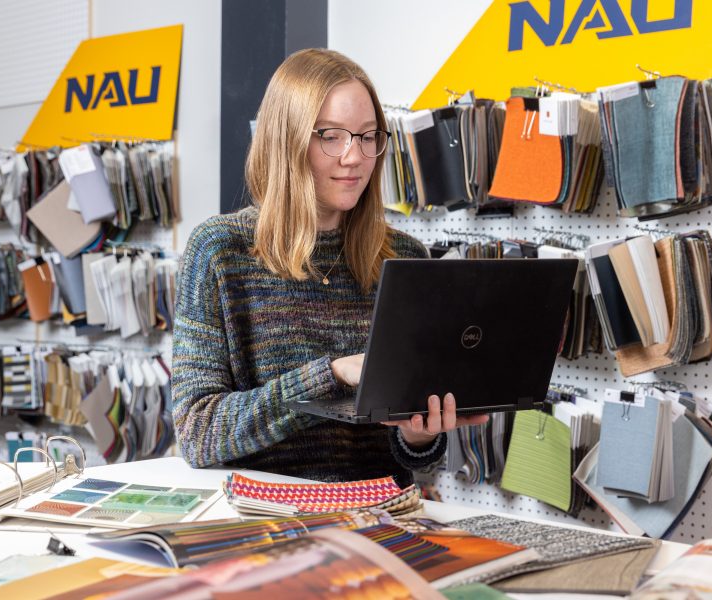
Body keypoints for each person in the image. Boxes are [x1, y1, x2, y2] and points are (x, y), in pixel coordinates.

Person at [172, 48, 488, 486]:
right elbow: (197, 433)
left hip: (380, 519)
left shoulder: (404, 257)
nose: (354, 156)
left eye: (367, 136)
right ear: (288, 141)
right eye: (332, 136)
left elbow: (410, 459)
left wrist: (417, 437)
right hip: (264, 522)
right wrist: (332, 374)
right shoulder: (221, 251)